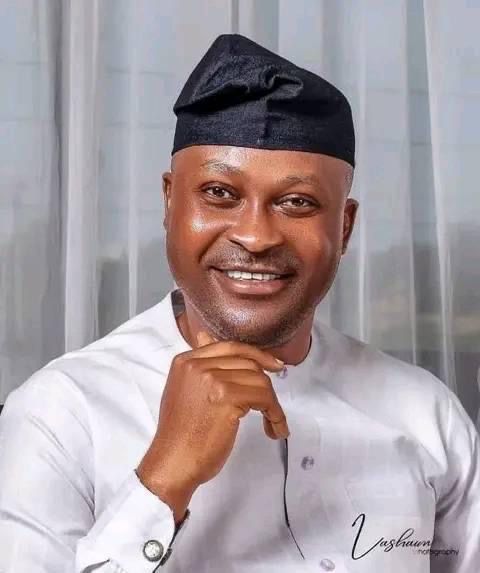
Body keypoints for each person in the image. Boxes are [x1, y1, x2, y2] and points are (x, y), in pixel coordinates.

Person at [0, 33, 478, 573]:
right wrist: (164, 479)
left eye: (297, 202)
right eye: (220, 194)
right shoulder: (61, 414)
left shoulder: (427, 415)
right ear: (169, 202)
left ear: (344, 228)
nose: (255, 236)